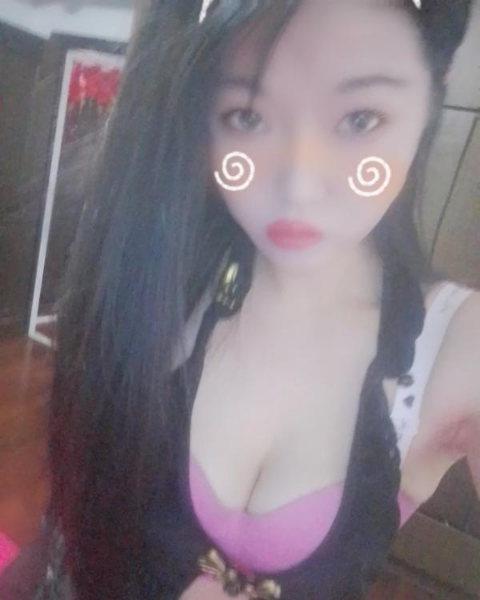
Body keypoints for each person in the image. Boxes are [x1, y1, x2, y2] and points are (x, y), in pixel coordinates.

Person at [1, 0, 479, 599]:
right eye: (247, 117)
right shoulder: (160, 274)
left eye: (360, 119)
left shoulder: (459, 350)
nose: (298, 184)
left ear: (431, 97)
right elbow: (65, 525)